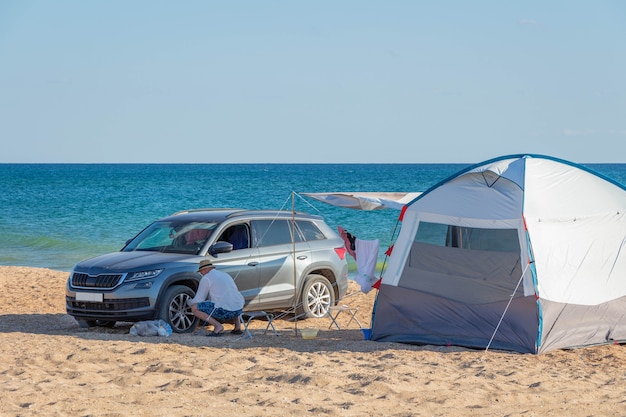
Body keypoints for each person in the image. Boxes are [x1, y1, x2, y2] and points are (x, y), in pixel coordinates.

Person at [187, 259, 245, 336]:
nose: (201, 274)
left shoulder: (206, 278)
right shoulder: (225, 274)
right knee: (231, 298)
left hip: (225, 312)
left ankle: (218, 326)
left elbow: (199, 299)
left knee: (194, 308)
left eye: (201, 271)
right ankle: (237, 326)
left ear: (204, 270)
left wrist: (189, 302)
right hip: (239, 310)